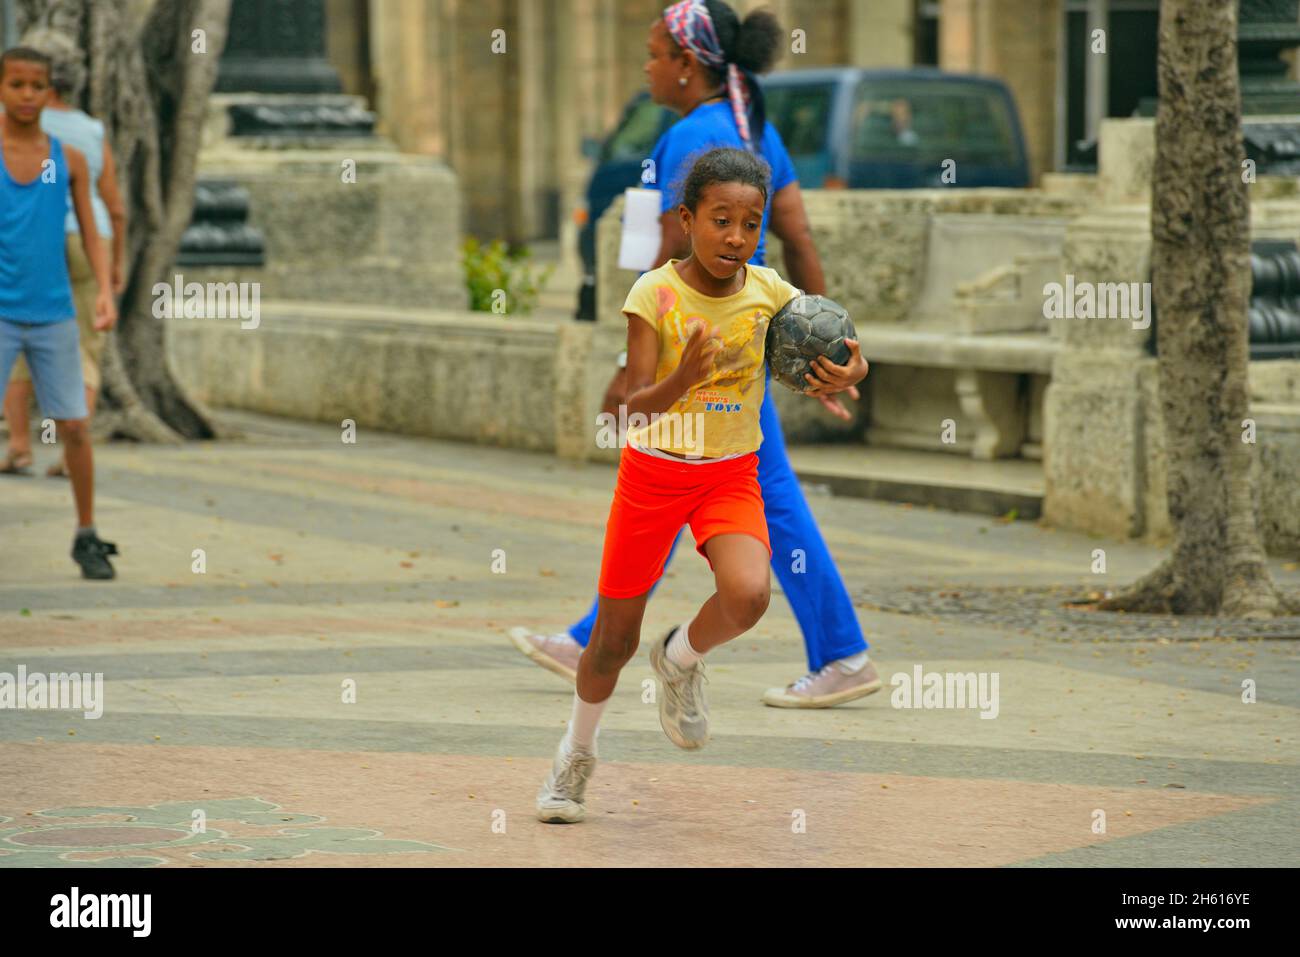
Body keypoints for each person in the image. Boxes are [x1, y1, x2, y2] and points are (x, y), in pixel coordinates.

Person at [511, 0, 878, 709]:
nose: (646, 68)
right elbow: (798, 236)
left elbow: (667, 256)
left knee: (713, 490)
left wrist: (630, 369)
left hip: (705, 346)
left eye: (653, 55)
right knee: (716, 489)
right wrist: (820, 343)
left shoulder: (690, 139)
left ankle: (841, 650)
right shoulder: (754, 128)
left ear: (686, 66)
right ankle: (598, 634)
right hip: (752, 340)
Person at [537, 147, 798, 823]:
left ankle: (679, 658)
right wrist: (684, 378)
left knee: (748, 594)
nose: (736, 237)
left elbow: (818, 343)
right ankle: (575, 754)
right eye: (720, 220)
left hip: (729, 474)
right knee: (613, 641)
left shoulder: (770, 292)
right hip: (654, 473)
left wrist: (844, 368)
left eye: (750, 222)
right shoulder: (653, 294)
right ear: (686, 219)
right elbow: (630, 409)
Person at [0, 46, 119, 579]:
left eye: (37, 86)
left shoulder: (66, 159)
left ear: (51, 92)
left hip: (53, 315)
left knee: (73, 425)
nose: (27, 95)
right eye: (16, 84)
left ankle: (86, 534)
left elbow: (93, 233)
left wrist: (104, 291)